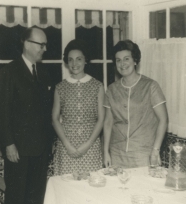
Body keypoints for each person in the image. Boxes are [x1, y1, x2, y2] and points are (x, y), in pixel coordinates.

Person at [0, 27, 53, 204]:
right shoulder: (9, 72)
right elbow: (1, 112)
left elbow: (46, 112)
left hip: (40, 150)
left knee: (36, 200)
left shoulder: (44, 73)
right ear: (27, 44)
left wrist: (48, 144)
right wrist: (8, 143)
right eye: (40, 44)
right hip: (18, 151)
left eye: (45, 45)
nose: (44, 49)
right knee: (16, 201)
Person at [103, 40, 168, 168]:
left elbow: (163, 120)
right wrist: (105, 151)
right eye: (118, 60)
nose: (122, 64)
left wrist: (155, 150)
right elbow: (108, 122)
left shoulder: (151, 86)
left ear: (135, 60)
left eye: (126, 59)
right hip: (117, 153)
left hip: (144, 153)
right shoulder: (111, 89)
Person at [52, 39, 104, 175]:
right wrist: (67, 145)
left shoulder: (97, 86)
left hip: (91, 144)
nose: (74, 64)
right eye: (70, 60)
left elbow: (101, 119)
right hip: (66, 145)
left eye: (79, 59)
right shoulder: (60, 87)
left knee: (90, 187)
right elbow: (55, 119)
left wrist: (88, 144)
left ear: (85, 60)